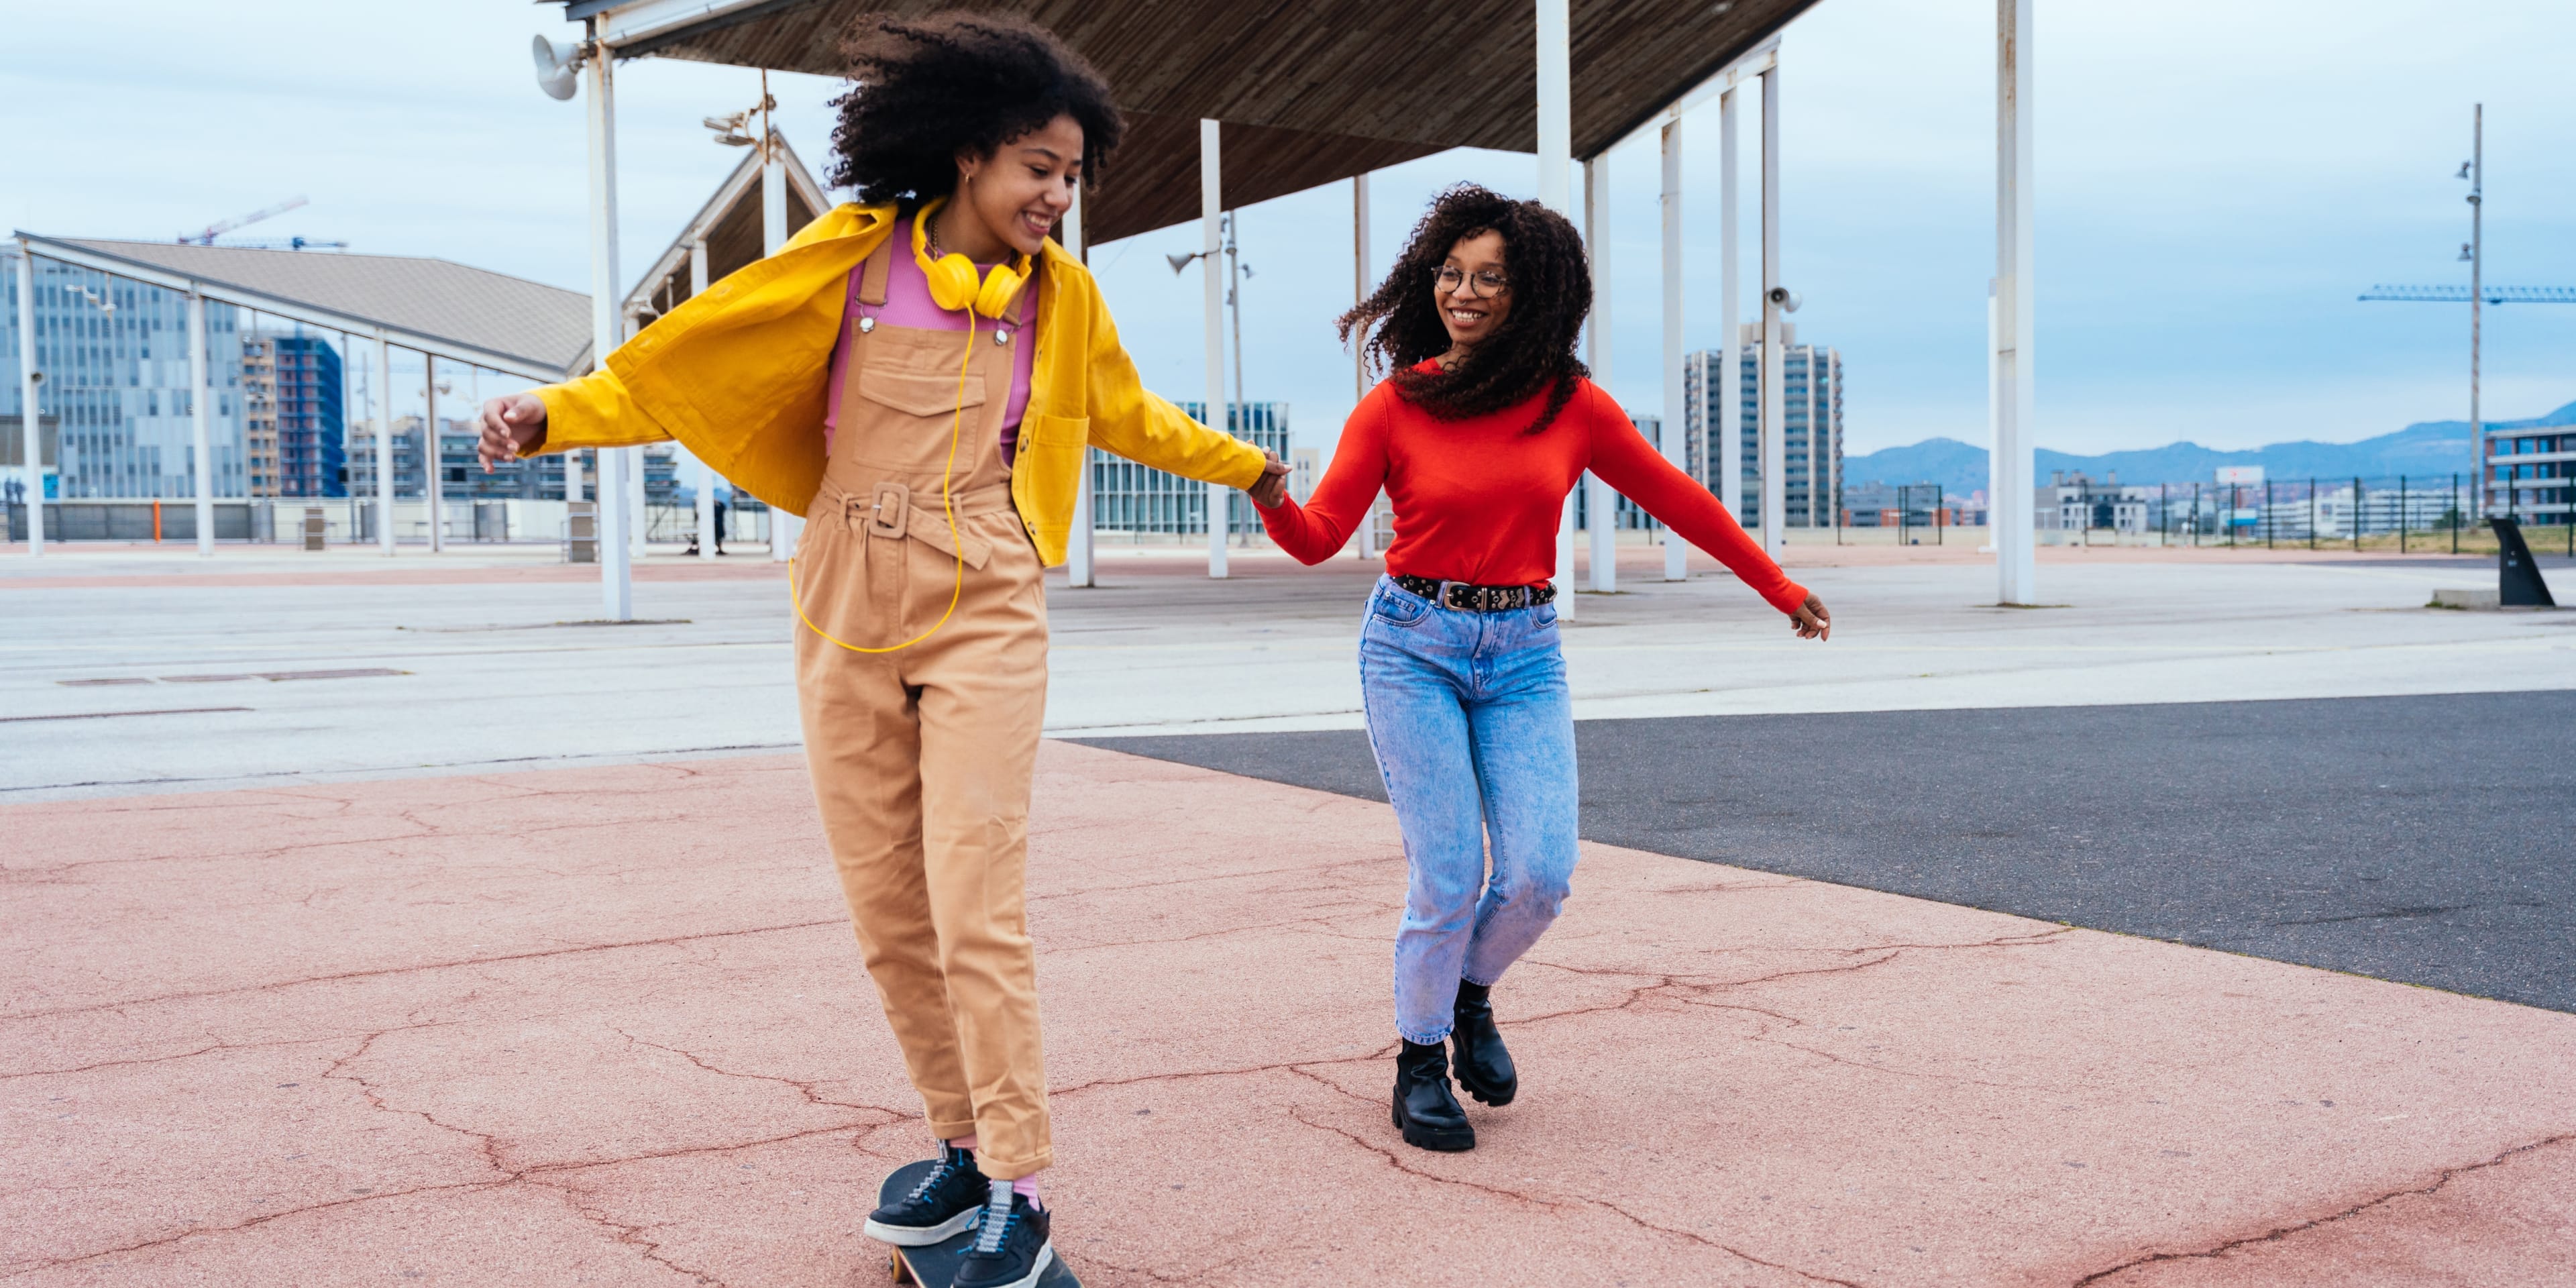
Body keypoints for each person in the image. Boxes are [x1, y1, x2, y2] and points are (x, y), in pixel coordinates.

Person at [475, 14, 1287, 1286]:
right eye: (1038, 167)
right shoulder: (852, 264)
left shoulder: (1062, 300)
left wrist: (1251, 467)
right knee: (889, 911)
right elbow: (686, 362)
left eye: (1071, 175)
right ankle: (959, 1145)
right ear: (967, 157)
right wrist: (553, 418)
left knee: (976, 898)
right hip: (842, 594)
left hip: (988, 598)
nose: (1057, 197)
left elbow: (1126, 413)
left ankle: (1018, 1184)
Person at [1252, 184, 1829, 1153]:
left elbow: (1684, 503)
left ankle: (1470, 993)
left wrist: (1778, 588)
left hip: (1523, 656)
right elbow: (1316, 539)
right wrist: (1269, 490)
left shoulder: (1572, 408)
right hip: (1411, 647)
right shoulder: (1397, 404)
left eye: (1490, 279)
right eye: (1451, 274)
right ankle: (1419, 1059)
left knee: (1540, 876)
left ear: (1535, 297)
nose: (1464, 293)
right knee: (1447, 872)